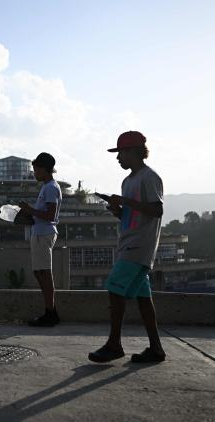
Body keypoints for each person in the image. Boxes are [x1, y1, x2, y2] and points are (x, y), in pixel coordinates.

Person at [89, 131, 166, 363]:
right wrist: (117, 210)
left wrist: (126, 201)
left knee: (114, 287)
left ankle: (114, 345)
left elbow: (157, 210)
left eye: (120, 153)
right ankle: (156, 348)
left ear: (133, 151)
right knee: (143, 298)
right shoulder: (127, 181)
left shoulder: (150, 178)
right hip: (129, 243)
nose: (118, 158)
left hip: (139, 245)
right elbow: (130, 215)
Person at [19, 152, 62, 327]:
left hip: (44, 234)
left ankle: (50, 312)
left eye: (36, 169)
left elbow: (51, 215)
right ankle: (49, 310)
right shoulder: (47, 186)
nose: (34, 173)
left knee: (45, 273)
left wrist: (30, 211)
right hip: (40, 232)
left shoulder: (51, 187)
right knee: (40, 272)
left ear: (44, 169)